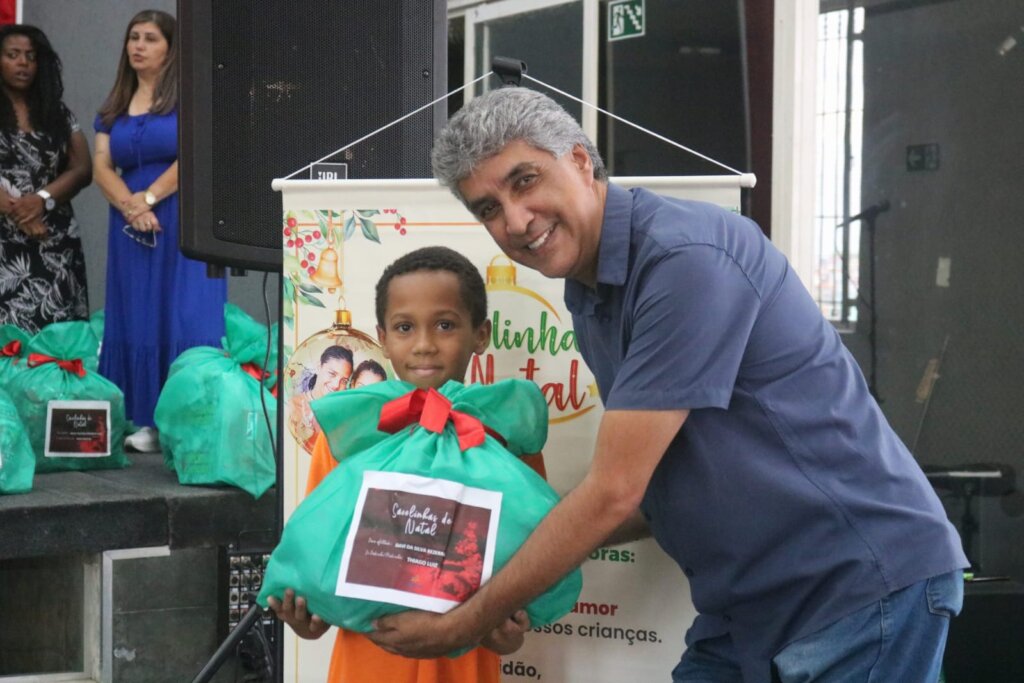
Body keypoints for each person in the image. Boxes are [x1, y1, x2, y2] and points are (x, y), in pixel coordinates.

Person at [367, 88, 969, 683]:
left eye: (525, 181)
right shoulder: (590, 288)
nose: (516, 221)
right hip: (746, 605)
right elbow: (649, 490)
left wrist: (465, 621)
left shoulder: (683, 257)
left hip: (855, 587)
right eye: (489, 209)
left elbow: (615, 492)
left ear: (579, 160)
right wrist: (488, 575)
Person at [270, 245, 543, 683]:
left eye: (445, 325)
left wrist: (508, 634)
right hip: (366, 668)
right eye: (404, 327)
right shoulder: (347, 435)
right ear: (382, 337)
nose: (424, 344)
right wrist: (307, 615)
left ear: (481, 334)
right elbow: (324, 562)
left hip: (464, 669)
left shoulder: (506, 435)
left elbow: (525, 572)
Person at [93, 10, 226, 446]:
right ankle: (144, 419)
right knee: (137, 315)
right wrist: (132, 208)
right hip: (131, 225)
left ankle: (187, 422)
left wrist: (149, 199)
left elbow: (195, 155)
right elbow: (101, 167)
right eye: (134, 37)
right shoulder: (114, 106)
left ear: (171, 48)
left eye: (150, 38)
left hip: (180, 221)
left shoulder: (191, 97)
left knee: (184, 313)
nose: (139, 45)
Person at [0, 24, 92, 333]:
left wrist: (41, 200)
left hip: (53, 239)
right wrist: (17, 210)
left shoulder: (57, 113)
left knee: (57, 337)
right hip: (5, 242)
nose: (23, 63)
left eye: (31, 56)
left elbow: (82, 169)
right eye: (13, 55)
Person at [289, 344, 354, 453]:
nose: (336, 385)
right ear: (319, 367)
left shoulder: (344, 416)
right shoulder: (294, 406)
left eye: (344, 381)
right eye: (332, 374)